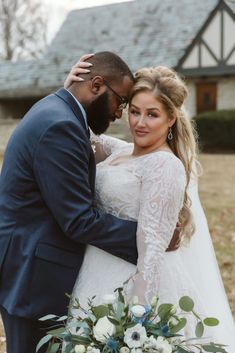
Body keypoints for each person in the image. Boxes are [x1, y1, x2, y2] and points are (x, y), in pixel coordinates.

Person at [64, 60, 235, 351]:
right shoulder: (120, 151)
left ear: (171, 118)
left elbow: (152, 247)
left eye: (152, 114)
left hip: (131, 287)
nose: (139, 123)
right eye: (134, 112)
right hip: (96, 273)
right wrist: (70, 91)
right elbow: (76, 131)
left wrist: (135, 319)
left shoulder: (165, 166)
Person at [0, 51, 141, 353]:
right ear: (97, 85)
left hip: (27, 268)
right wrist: (149, 236)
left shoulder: (56, 110)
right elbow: (78, 220)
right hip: (33, 281)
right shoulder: (60, 126)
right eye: (122, 101)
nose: (120, 113)